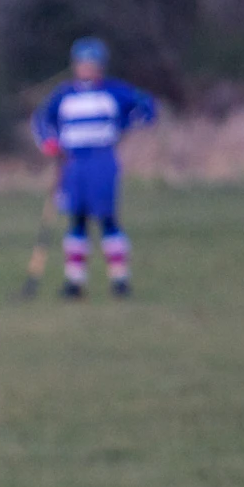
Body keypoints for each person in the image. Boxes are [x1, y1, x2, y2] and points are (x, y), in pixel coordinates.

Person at [31, 38, 156, 298]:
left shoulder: (114, 91)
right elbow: (42, 120)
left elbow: (147, 106)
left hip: (102, 160)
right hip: (73, 163)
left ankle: (120, 280)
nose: (87, 69)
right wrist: (50, 143)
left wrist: (126, 124)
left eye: (93, 64)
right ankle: (75, 282)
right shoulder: (64, 95)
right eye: (83, 64)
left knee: (107, 217)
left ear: (101, 66)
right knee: (76, 219)